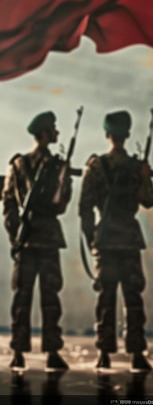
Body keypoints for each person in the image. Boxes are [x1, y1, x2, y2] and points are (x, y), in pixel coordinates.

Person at [78, 111, 153, 372]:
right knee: (133, 299)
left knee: (106, 299)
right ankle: (136, 354)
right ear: (127, 134)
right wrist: (144, 175)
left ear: (107, 134)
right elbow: (149, 200)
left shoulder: (95, 166)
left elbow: (85, 207)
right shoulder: (136, 167)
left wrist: (92, 238)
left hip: (106, 240)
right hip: (129, 239)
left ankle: (104, 353)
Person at [2, 111, 71, 372]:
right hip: (44, 239)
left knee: (25, 298)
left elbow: (8, 204)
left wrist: (16, 234)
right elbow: (60, 204)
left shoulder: (20, 165)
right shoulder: (23, 165)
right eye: (53, 128)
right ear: (44, 133)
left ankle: (21, 352)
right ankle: (49, 352)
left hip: (30, 241)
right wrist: (18, 234)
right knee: (46, 298)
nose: (56, 132)